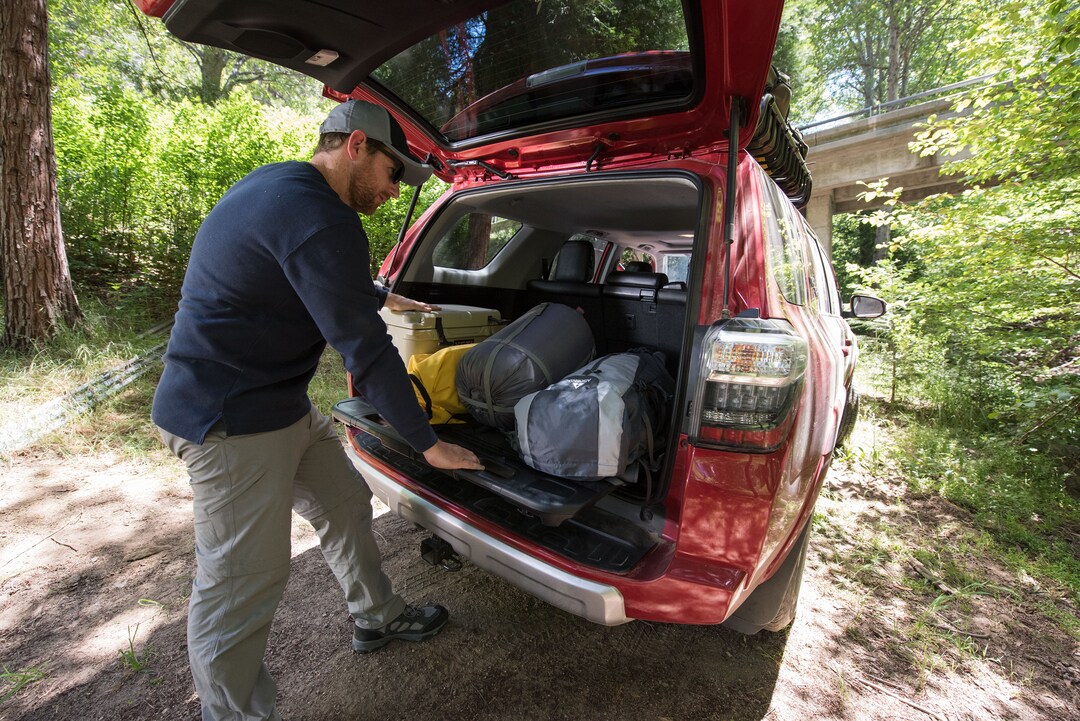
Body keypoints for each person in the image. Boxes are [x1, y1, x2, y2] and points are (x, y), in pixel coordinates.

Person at [152, 99, 484, 721]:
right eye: (392, 173)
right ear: (356, 145)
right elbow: (365, 348)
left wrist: (379, 293)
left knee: (344, 505)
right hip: (230, 422)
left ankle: (377, 616)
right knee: (241, 582)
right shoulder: (321, 216)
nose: (393, 190)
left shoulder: (281, 186)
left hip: (277, 404)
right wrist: (427, 442)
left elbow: (299, 271)